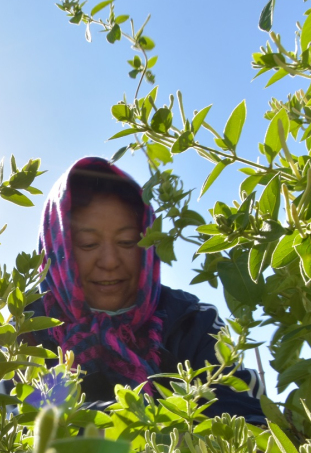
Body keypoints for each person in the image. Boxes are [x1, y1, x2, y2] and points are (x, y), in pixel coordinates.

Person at [20, 156, 265, 424]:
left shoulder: (192, 320)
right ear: (58, 249)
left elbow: (248, 423)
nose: (110, 262)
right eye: (88, 244)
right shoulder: (29, 328)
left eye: (127, 242)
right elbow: (10, 427)